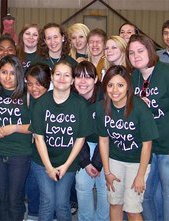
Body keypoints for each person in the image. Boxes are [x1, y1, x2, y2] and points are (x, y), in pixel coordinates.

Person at [127, 34, 169, 221]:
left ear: (150, 50)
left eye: (140, 51)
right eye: (131, 53)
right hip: (147, 148)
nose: (136, 56)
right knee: (146, 195)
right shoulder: (134, 77)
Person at [30, 60, 92, 221]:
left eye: (67, 75)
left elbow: (80, 138)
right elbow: (39, 138)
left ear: (72, 80)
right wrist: (49, 168)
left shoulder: (80, 105)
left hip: (68, 162)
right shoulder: (41, 103)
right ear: (51, 77)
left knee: (62, 203)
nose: (62, 78)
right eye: (58, 74)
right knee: (48, 201)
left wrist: (66, 165)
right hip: (42, 161)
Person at [97, 65, 158, 221]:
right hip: (115, 160)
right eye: (110, 85)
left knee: (132, 209)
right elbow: (103, 141)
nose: (115, 90)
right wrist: (107, 172)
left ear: (128, 87)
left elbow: (147, 144)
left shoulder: (139, 108)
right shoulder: (102, 108)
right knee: (115, 203)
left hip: (137, 163)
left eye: (120, 85)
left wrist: (140, 176)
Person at [0, 55, 32, 221]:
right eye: (4, 72)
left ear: (19, 74)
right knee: (2, 197)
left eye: (12, 73)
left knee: (14, 199)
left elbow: (38, 126)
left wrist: (15, 128)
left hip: (20, 154)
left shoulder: (28, 94)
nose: (8, 77)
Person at [73, 61, 109, 221]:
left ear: (95, 80)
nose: (82, 81)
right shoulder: (71, 99)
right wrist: (86, 163)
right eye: (78, 77)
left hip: (106, 145)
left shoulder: (106, 97)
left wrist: (97, 163)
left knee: (104, 186)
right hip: (81, 146)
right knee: (82, 184)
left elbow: (110, 133)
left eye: (88, 77)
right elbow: (72, 135)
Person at [24, 63, 51, 220]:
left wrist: (14, 128)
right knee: (33, 184)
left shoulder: (53, 99)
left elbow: (37, 126)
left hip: (51, 149)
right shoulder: (28, 98)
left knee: (48, 192)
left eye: (39, 84)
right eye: (30, 84)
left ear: (47, 82)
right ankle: (33, 214)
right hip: (33, 149)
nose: (34, 88)